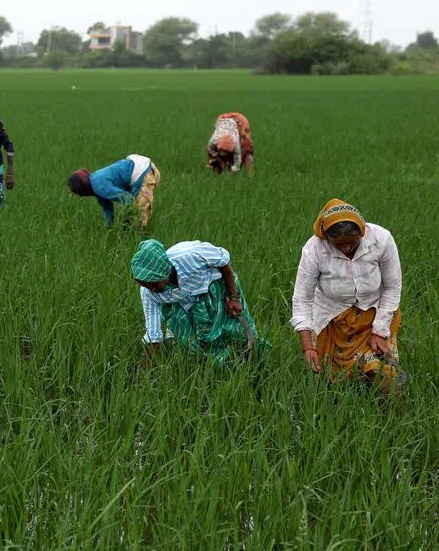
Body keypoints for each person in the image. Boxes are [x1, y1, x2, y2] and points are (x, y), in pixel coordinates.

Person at [291, 199, 404, 385]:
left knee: (382, 374)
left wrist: (380, 332)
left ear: (362, 232)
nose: (346, 248)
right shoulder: (314, 250)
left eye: (352, 243)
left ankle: (391, 412)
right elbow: (302, 299)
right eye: (339, 244)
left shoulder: (381, 240)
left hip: (374, 318)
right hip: (332, 323)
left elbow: (392, 287)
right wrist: (307, 347)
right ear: (327, 238)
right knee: (333, 382)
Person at [131, 238, 265, 366]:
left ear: (165, 271)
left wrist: (234, 298)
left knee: (236, 330)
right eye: (146, 285)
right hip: (188, 304)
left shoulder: (190, 255)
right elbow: (153, 334)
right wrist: (147, 370)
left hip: (216, 289)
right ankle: (224, 367)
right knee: (201, 342)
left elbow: (224, 263)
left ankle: (255, 360)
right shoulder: (148, 292)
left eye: (154, 284)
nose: (152, 290)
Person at [66, 155, 161, 228]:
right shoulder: (96, 185)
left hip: (142, 170)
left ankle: (140, 238)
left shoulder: (100, 187)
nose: (81, 196)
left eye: (78, 193)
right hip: (137, 163)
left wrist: (126, 220)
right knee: (134, 218)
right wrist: (109, 227)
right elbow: (108, 208)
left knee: (140, 218)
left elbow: (128, 198)